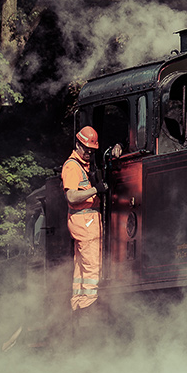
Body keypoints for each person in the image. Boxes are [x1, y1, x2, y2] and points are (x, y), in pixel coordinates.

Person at [61, 126, 120, 313]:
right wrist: (96, 190)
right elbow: (71, 197)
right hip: (85, 228)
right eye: (86, 148)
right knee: (92, 270)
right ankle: (88, 309)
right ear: (77, 144)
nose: (89, 152)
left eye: (92, 150)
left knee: (81, 272)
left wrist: (119, 146)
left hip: (86, 226)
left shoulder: (83, 166)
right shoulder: (72, 166)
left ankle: (79, 305)